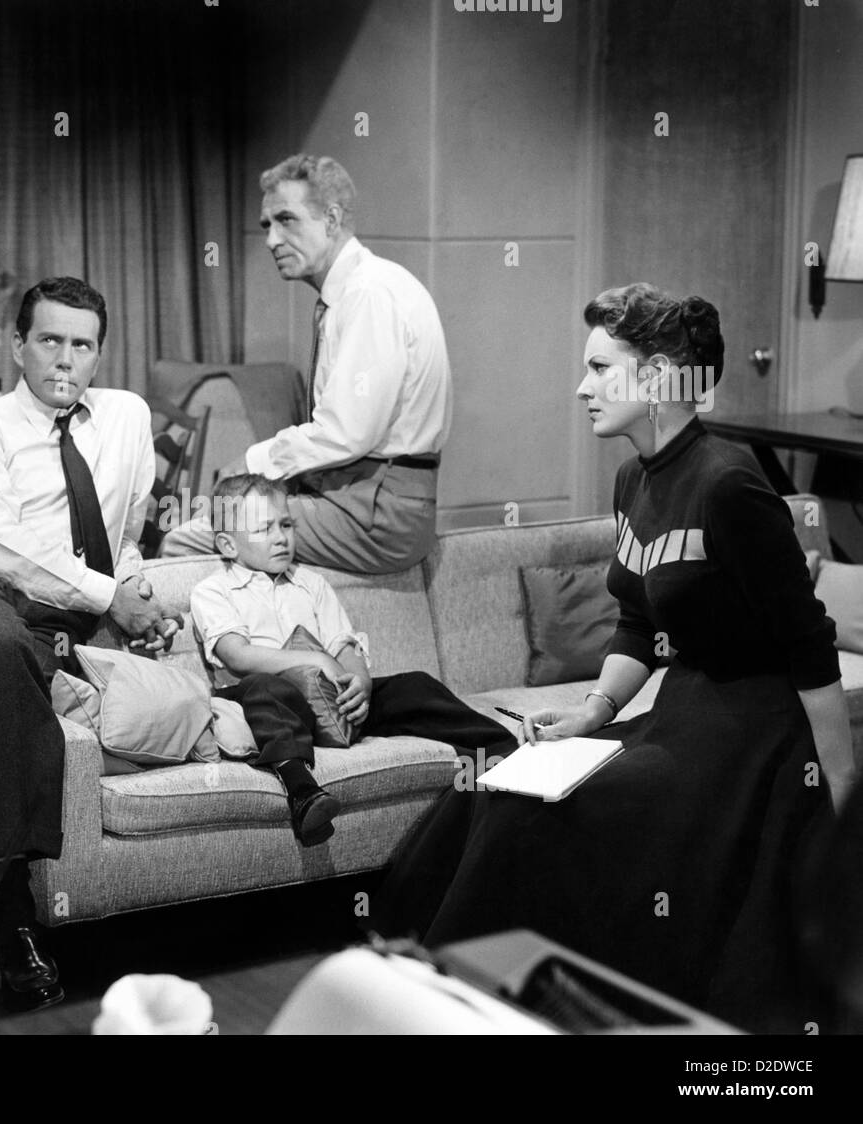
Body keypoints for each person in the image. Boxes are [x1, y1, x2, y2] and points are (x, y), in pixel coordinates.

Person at [373, 283, 857, 1033]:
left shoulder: (730, 483)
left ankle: (490, 1007)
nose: (581, 386)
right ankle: (435, 987)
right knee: (495, 787)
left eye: (601, 368)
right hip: (676, 714)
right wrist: (592, 712)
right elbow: (637, 619)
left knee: (542, 818)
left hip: (750, 739)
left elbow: (809, 643)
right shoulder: (634, 478)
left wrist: (838, 790)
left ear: (658, 377)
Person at [0, 277, 183, 1018]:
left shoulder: (126, 417)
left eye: (82, 345)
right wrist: (110, 594)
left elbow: (125, 534)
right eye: (49, 340)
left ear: (99, 354)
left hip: (57, 614)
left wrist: (136, 590)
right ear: (19, 345)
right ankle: (15, 910)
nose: (65, 360)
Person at [160, 154, 450, 574]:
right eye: (267, 225)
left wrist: (253, 461)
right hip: (359, 498)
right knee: (237, 524)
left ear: (331, 220)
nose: (271, 240)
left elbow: (348, 433)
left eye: (286, 220)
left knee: (185, 540)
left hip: (376, 515)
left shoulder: (368, 294)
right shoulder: (359, 289)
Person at [189, 473, 513, 846]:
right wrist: (313, 660)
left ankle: (502, 748)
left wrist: (359, 679)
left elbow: (344, 645)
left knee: (414, 686)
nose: (281, 537)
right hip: (268, 705)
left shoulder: (311, 584)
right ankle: (301, 790)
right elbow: (238, 655)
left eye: (286, 524)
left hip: (332, 702)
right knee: (265, 689)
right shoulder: (212, 590)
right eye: (265, 529)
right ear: (228, 545)